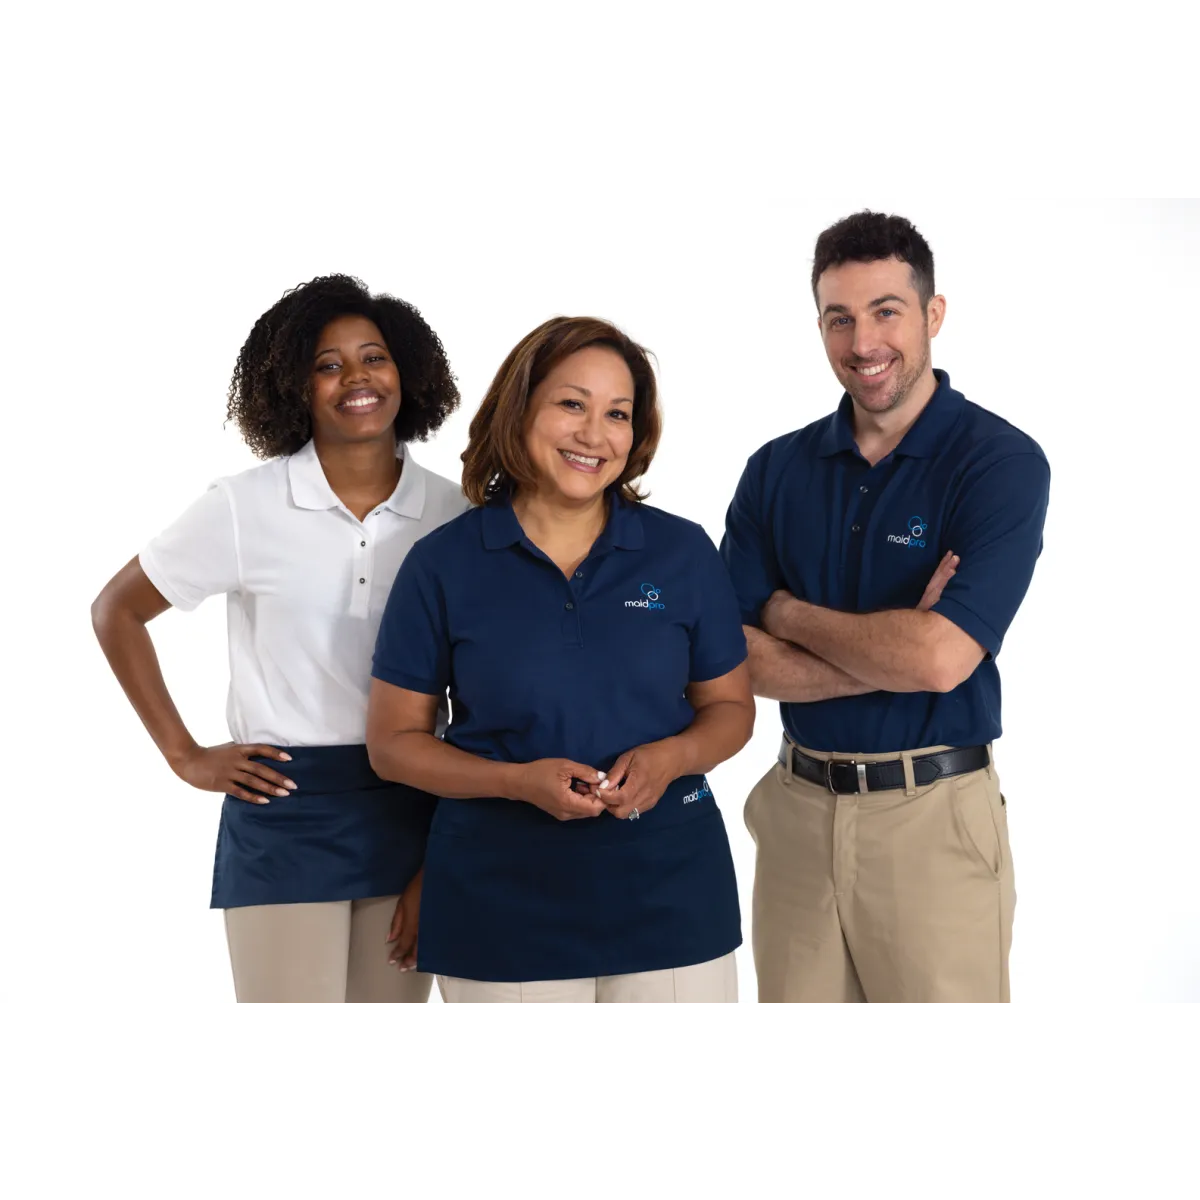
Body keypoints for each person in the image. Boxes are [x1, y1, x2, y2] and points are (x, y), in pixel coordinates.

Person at [90, 275, 467, 1006]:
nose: (356, 378)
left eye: (374, 357)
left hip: (415, 802)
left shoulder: (454, 514)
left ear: (408, 371)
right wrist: (183, 754)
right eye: (328, 365)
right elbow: (117, 610)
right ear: (294, 386)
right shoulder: (244, 506)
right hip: (285, 804)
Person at [366, 316, 754, 1007]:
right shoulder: (442, 564)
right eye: (572, 404)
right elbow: (393, 744)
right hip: (499, 903)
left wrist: (671, 758)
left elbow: (730, 709)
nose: (594, 434)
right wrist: (516, 782)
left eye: (618, 414)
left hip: (671, 894)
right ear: (519, 410)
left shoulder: (683, 552)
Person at [721, 212, 1050, 1006]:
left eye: (886, 312)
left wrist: (785, 613)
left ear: (933, 314)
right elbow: (731, 659)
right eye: (839, 318)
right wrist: (895, 653)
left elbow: (939, 659)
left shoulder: (999, 463)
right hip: (797, 819)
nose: (863, 342)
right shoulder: (774, 470)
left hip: (931, 821)